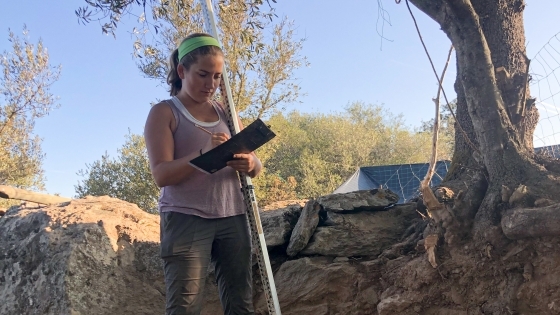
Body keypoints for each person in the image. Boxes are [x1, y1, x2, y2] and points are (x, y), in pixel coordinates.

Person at [143, 33, 261, 315]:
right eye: (203, 75)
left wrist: (250, 164)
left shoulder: (227, 111)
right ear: (182, 71)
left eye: (218, 77)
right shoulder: (164, 112)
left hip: (232, 215)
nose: (211, 85)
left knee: (241, 304)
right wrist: (203, 153)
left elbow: (256, 164)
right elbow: (161, 175)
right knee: (184, 308)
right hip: (186, 218)